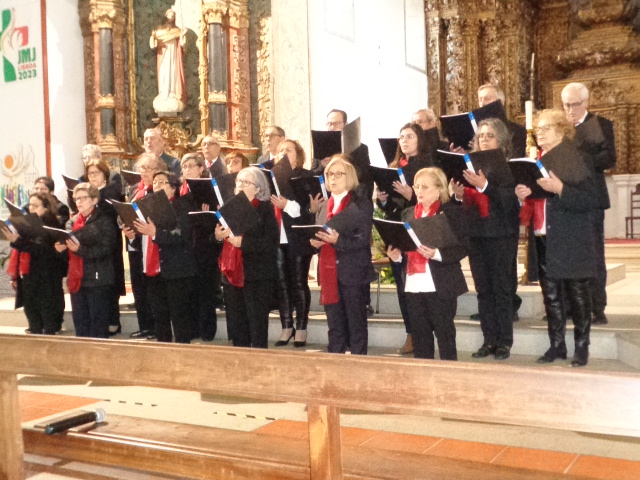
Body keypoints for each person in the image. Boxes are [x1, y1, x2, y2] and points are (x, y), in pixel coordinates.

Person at [516, 109, 598, 367]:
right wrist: (523, 193)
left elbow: (590, 199)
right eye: (537, 129)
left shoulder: (577, 157)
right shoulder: (536, 160)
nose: (539, 133)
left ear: (562, 130)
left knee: (577, 292)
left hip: (570, 234)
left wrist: (561, 188)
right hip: (542, 234)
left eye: (546, 128)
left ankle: (582, 347)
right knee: (550, 294)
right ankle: (557, 345)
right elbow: (535, 198)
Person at [452, 118, 520, 361]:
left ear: (501, 140)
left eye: (490, 135)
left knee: (501, 290)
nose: (484, 139)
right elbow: (465, 206)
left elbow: (510, 203)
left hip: (501, 235)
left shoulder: (510, 166)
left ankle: (504, 342)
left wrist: (485, 186)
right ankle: (488, 340)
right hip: (477, 234)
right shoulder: (470, 165)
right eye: (481, 135)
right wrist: (458, 196)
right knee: (483, 291)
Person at [386, 167, 468, 360]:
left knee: (445, 336)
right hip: (413, 284)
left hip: (440, 283)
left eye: (425, 187)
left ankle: (449, 374)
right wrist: (396, 257)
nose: (419, 191)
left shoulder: (450, 212)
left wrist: (437, 253)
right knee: (420, 338)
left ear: (439, 189)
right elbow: (403, 248)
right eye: (417, 186)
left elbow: (463, 247)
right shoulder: (407, 214)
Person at [561, 82, 616, 326]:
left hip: (591, 198)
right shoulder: (560, 127)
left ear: (586, 102)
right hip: (565, 197)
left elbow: (609, 158)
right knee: (567, 253)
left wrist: (580, 157)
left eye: (574, 104)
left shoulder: (599, 124)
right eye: (566, 105)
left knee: (593, 254)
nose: (570, 110)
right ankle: (569, 305)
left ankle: (596, 307)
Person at [376, 122, 433, 355]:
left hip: (418, 229)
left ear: (420, 139)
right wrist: (382, 199)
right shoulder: (393, 166)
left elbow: (436, 200)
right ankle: (411, 333)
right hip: (395, 229)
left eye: (410, 136)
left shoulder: (428, 166)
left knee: (420, 287)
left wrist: (412, 196)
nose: (404, 141)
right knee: (402, 286)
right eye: (401, 137)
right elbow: (389, 204)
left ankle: (425, 333)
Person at [310, 154, 375, 355]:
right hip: (329, 272)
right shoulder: (324, 205)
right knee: (334, 324)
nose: (333, 178)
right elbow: (318, 235)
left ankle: (358, 364)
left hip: (353, 271)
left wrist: (338, 241)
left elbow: (363, 240)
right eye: (330, 174)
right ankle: (335, 362)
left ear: (350, 176)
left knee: (356, 324)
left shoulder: (361, 204)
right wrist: (315, 244)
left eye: (339, 174)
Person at [215, 166, 279, 348]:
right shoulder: (229, 208)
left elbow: (271, 242)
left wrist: (244, 243)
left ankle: (258, 360)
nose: (240, 185)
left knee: (257, 324)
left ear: (258, 188)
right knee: (237, 324)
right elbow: (215, 240)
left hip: (256, 274)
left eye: (246, 182)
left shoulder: (265, 209)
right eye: (239, 181)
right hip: (231, 273)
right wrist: (218, 236)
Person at [133, 172, 197, 344]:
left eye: (162, 182)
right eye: (155, 182)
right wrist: (132, 237)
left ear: (173, 188)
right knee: (159, 315)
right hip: (152, 269)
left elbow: (181, 235)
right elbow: (143, 240)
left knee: (179, 316)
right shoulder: (147, 207)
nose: (157, 185)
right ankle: (163, 350)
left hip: (175, 269)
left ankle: (182, 351)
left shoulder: (182, 207)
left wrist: (156, 233)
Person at [55, 183, 119, 339]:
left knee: (98, 323)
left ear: (94, 200)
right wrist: (61, 249)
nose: (79, 202)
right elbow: (69, 251)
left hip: (98, 278)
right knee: (81, 322)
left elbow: (107, 249)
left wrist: (80, 250)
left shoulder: (104, 220)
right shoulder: (71, 222)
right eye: (77, 199)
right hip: (77, 277)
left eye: (83, 198)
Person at [271, 140, 316, 348]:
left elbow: (308, 210)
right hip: (277, 236)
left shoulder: (305, 176)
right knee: (281, 284)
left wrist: (286, 204)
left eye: (288, 150)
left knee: (299, 282)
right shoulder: (271, 176)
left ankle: (302, 327)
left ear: (298, 156)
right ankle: (286, 326)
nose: (283, 153)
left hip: (298, 236)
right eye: (280, 150)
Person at [3, 193, 67, 335]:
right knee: (30, 304)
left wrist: (17, 241)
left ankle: (48, 331)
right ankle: (34, 328)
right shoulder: (28, 222)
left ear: (46, 208)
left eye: (35, 205)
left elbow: (43, 250)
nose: (31, 208)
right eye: (30, 204)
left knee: (46, 305)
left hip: (47, 273)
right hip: (29, 270)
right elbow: (25, 246)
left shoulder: (51, 223)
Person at [125, 153, 168, 340]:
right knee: (139, 289)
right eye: (142, 168)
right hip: (136, 245)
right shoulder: (135, 189)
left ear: (159, 171)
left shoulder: (159, 193)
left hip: (154, 246)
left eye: (149, 169)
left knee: (154, 292)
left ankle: (156, 328)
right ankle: (144, 326)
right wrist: (127, 228)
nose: (144, 172)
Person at [179, 152, 221, 340]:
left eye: (191, 166)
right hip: (186, 248)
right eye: (184, 167)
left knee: (205, 291)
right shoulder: (180, 191)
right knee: (189, 291)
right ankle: (193, 328)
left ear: (201, 168)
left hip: (205, 247)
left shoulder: (208, 190)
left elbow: (214, 219)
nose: (187, 170)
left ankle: (207, 331)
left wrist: (205, 217)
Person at [85, 159, 126, 336]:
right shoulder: (87, 193)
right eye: (90, 173)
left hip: (109, 244)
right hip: (92, 243)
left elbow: (113, 217)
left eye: (97, 173)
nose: (93, 176)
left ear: (105, 175)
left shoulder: (111, 193)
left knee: (110, 282)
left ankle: (113, 321)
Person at [150, 8, 187, 114]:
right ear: (165, 16)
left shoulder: (177, 31)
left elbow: (183, 44)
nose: (170, 17)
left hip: (173, 54)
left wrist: (182, 35)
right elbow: (153, 44)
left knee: (172, 72)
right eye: (169, 15)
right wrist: (153, 37)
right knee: (163, 73)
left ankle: (172, 93)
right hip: (163, 55)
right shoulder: (159, 30)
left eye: (172, 16)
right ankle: (163, 93)